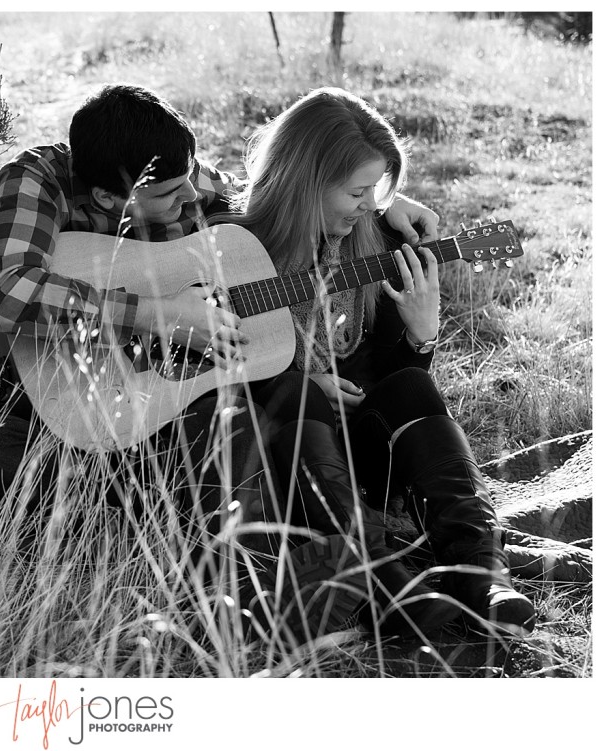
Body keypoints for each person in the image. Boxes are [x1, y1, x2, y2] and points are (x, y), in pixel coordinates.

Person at [0, 83, 441, 643]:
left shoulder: (184, 178)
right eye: (169, 197)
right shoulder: (39, 179)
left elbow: (279, 191)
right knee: (24, 509)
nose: (188, 199)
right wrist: (154, 315)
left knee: (234, 413)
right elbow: (4, 290)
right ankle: (270, 592)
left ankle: (283, 583)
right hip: (39, 407)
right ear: (105, 199)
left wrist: (379, 204)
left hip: (155, 409)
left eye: (189, 182)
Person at [211, 86, 536, 638]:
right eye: (358, 191)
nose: (371, 204)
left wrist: (421, 335)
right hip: (283, 464)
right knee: (297, 392)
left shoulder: (374, 241)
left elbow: (389, 382)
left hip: (361, 459)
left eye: (378, 191)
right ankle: (386, 585)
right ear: (304, 182)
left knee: (409, 383)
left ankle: (482, 570)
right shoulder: (232, 244)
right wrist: (292, 377)